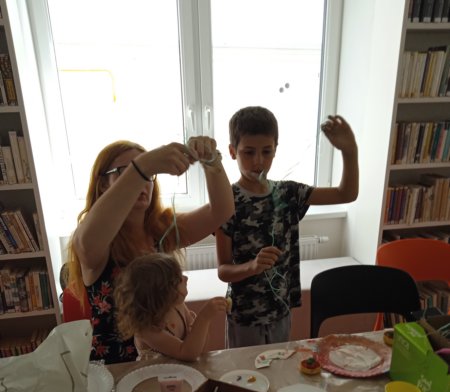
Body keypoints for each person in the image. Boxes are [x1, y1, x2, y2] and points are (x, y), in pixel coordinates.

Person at [67, 136, 234, 363]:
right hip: (118, 372)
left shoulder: (160, 231)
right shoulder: (98, 242)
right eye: (125, 171)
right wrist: (143, 166)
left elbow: (222, 210)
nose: (143, 181)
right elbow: (86, 242)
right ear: (103, 184)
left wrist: (212, 160)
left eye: (148, 176)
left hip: (167, 367)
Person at [216, 106, 359, 348]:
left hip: (280, 313)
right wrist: (252, 266)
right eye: (248, 152)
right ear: (232, 151)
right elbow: (223, 270)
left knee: (279, 366)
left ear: (275, 150)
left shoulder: (289, 193)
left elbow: (346, 193)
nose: (258, 161)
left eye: (266, 152)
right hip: (244, 317)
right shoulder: (226, 202)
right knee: (244, 370)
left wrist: (350, 152)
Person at [114, 253, 228, 361]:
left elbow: (200, 349)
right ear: (163, 293)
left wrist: (199, 326)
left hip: (180, 372)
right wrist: (203, 318)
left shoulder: (178, 306)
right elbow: (187, 353)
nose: (186, 278)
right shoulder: (146, 329)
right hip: (156, 374)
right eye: (179, 279)